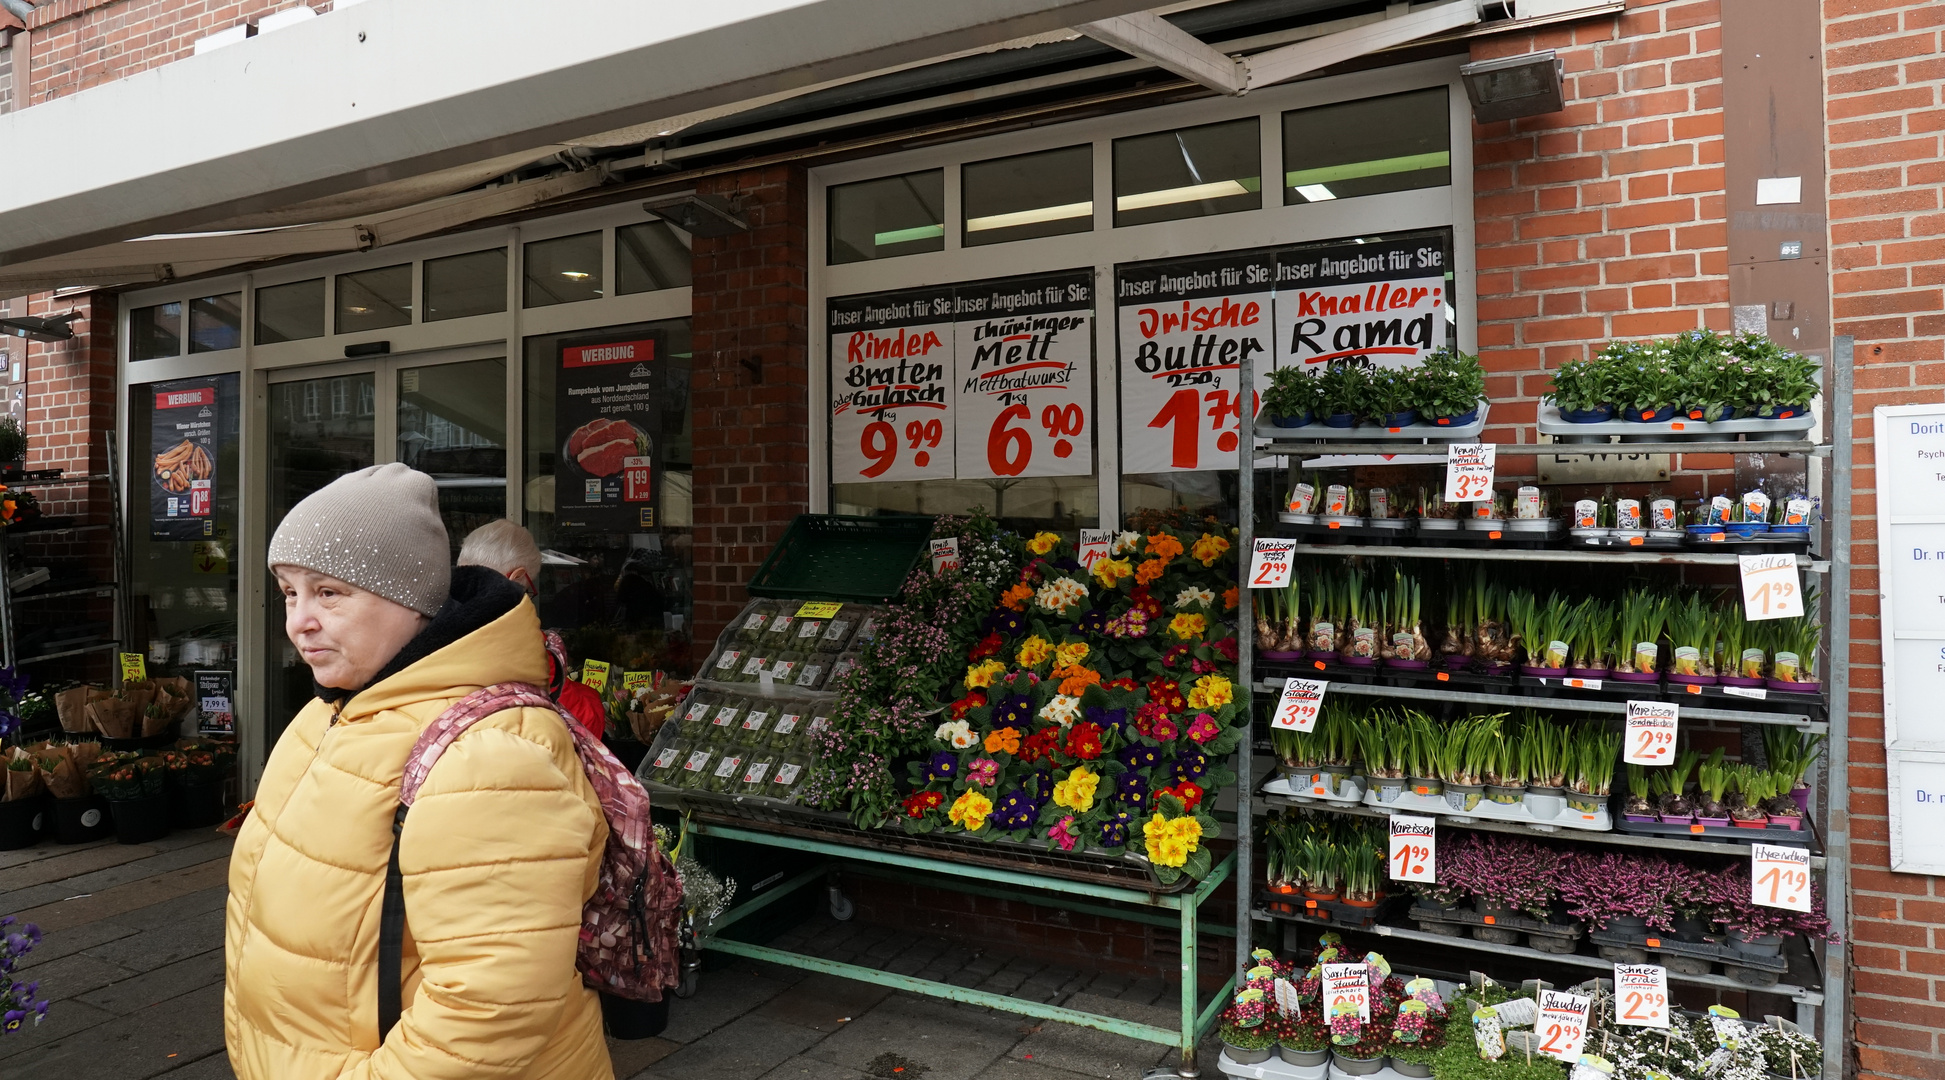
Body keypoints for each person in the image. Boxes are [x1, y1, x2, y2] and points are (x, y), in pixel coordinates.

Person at [225, 464, 612, 1080]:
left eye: (329, 593)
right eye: (290, 593)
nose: (300, 620)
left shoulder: (490, 755)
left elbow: (488, 1010)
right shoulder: (322, 719)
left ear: (410, 599)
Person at [458, 519, 606, 739]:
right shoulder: (518, 638)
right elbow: (581, 721)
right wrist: (593, 698)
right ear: (516, 578)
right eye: (527, 590)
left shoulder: (424, 618)